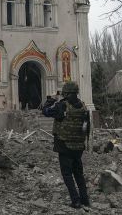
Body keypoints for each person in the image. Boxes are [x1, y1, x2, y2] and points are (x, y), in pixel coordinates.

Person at [42, 81, 91, 209]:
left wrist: (51, 99)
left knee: (67, 174)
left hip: (64, 145)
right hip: (79, 146)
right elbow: (87, 127)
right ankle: (85, 199)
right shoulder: (83, 107)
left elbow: (45, 111)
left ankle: (75, 200)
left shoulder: (61, 106)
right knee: (78, 173)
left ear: (66, 93)